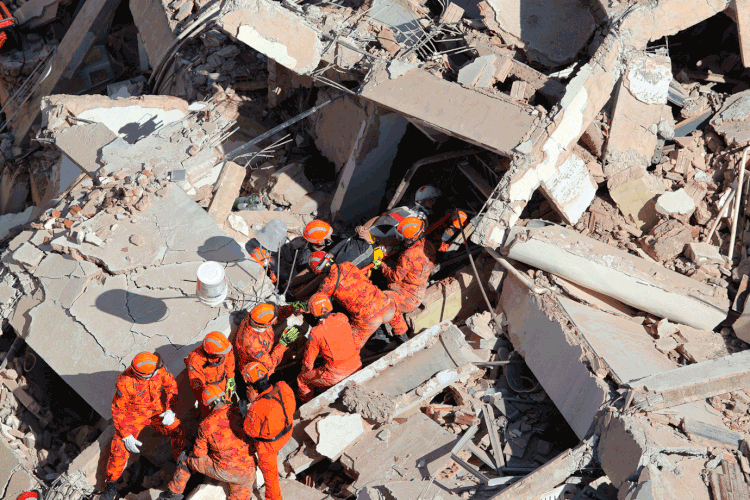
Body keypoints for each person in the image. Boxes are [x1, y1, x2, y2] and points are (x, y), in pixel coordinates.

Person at [103, 353, 185, 500]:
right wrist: (126, 434)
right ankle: (111, 485)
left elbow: (171, 386)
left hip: (156, 411)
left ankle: (182, 463)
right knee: (119, 449)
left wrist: (169, 410)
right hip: (133, 416)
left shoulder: (158, 370)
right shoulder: (125, 382)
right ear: (145, 375)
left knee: (177, 429)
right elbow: (118, 409)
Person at [158, 385, 256, 500]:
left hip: (226, 470)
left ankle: (173, 494)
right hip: (249, 469)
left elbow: (199, 454)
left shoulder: (206, 425)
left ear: (209, 405)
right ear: (223, 398)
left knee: (185, 459)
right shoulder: (238, 412)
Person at [308, 252, 395, 349]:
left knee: (350, 347)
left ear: (319, 270)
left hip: (366, 317)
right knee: (390, 317)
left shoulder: (327, 284)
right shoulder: (347, 264)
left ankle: (379, 341)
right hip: (383, 302)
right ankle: (402, 338)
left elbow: (316, 302)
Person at [243, 362, 295, 500]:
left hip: (269, 446)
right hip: (288, 431)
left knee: (271, 479)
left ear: (251, 386)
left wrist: (253, 403)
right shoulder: (283, 386)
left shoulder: (257, 408)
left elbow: (250, 431)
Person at [296, 294, 362, 402]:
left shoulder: (316, 332)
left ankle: (306, 403)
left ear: (313, 313)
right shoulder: (342, 317)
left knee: (302, 379)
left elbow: (309, 361)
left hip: (336, 375)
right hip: (357, 364)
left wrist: (305, 371)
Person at [382, 217, 436, 343]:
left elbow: (395, 277)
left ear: (411, 238)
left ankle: (402, 335)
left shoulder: (408, 255)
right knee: (390, 285)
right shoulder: (428, 245)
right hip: (416, 289)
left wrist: (382, 266)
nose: (402, 240)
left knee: (383, 299)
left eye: (404, 238)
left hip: (409, 298)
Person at [234, 302, 300, 374]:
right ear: (267, 325)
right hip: (254, 370)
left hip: (265, 344)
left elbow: (274, 314)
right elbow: (270, 365)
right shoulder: (253, 345)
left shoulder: (255, 317)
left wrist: (291, 308)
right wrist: (282, 344)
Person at [185, 331, 236, 415]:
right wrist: (211, 400)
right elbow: (198, 386)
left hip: (223, 383)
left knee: (229, 407)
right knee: (212, 414)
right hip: (209, 392)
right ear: (212, 354)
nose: (224, 356)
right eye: (221, 355)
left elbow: (230, 360)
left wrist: (231, 377)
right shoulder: (195, 360)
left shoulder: (224, 348)